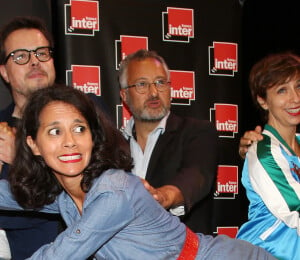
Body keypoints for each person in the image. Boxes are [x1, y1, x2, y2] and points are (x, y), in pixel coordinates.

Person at [0, 84, 276, 259]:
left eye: (79, 128)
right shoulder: (65, 196)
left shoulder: (114, 191)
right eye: (55, 131)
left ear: (93, 138)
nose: (70, 140)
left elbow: (59, 255)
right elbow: (9, 195)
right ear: (33, 144)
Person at [0, 16, 108, 259]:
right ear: (5, 73)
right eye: (21, 56)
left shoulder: (87, 110)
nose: (34, 62)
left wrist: (20, 157)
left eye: (41, 53)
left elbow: (105, 188)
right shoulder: (1, 128)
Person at [118, 49, 219, 234]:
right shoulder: (112, 145)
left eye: (160, 82)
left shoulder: (196, 132)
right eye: (142, 84)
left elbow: (196, 176)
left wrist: (163, 196)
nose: (154, 92)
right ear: (124, 95)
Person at [236, 52, 300, 260]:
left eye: (298, 86)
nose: (295, 98)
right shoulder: (264, 151)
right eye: (282, 90)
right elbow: (295, 210)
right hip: (269, 254)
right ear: (263, 101)